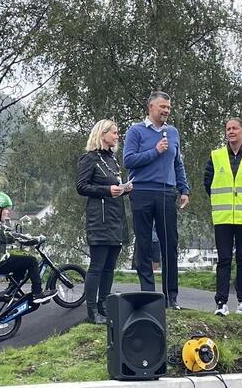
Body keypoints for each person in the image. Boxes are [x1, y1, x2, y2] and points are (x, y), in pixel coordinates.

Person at [123, 91, 189, 310]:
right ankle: (149, 295)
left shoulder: (173, 132)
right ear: (150, 107)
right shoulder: (136, 131)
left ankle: (171, 296)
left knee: (170, 244)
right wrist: (154, 151)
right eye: (162, 107)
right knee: (143, 244)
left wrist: (183, 188)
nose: (166, 111)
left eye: (168, 108)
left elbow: (177, 162)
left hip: (166, 193)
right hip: (141, 191)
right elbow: (129, 160)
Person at [204, 117, 242, 317]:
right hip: (223, 216)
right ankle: (221, 303)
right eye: (228, 129)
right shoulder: (216, 156)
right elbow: (208, 182)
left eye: (235, 128)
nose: (231, 132)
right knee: (223, 260)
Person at [76, 119, 131, 324]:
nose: (117, 136)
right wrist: (107, 190)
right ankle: (91, 311)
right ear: (102, 134)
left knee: (109, 266)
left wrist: (123, 189)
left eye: (117, 133)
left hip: (116, 218)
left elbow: (114, 187)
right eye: (114, 133)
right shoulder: (89, 158)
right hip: (99, 219)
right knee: (97, 266)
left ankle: (104, 306)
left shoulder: (113, 160)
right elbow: (81, 186)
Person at [0, 191, 57, 304]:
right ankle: (37, 293)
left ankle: (12, 289)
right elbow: (16, 237)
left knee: (20, 262)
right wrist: (37, 239)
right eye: (6, 209)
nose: (8, 213)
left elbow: (10, 237)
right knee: (31, 261)